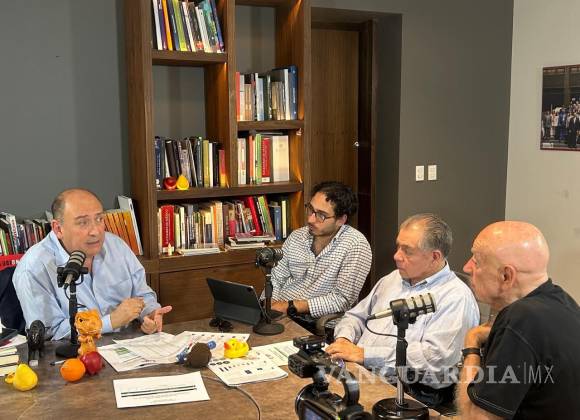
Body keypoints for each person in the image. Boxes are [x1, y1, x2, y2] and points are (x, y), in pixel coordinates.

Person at [325, 213, 479, 406]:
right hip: (357, 367)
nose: (396, 256)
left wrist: (365, 354)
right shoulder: (393, 279)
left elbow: (434, 359)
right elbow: (356, 316)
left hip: (408, 390)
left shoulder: (456, 297)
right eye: (398, 246)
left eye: (407, 251)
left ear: (434, 257)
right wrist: (344, 339)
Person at [457, 221, 580, 419]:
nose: (467, 267)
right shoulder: (564, 303)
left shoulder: (521, 319)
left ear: (506, 276)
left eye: (477, 261)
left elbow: (475, 417)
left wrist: (471, 344)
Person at [13, 188, 172, 340]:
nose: (95, 231)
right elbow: (49, 332)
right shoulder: (33, 268)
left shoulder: (116, 245)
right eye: (83, 222)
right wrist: (109, 322)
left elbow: (143, 295)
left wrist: (150, 313)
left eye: (99, 219)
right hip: (73, 353)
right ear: (58, 228)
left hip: (129, 345)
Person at [269, 181, 372, 324]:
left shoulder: (355, 245)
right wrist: (270, 303)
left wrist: (291, 306)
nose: (310, 219)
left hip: (318, 325)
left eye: (321, 215)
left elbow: (341, 300)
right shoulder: (297, 236)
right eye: (310, 209)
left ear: (341, 220)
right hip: (280, 315)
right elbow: (275, 278)